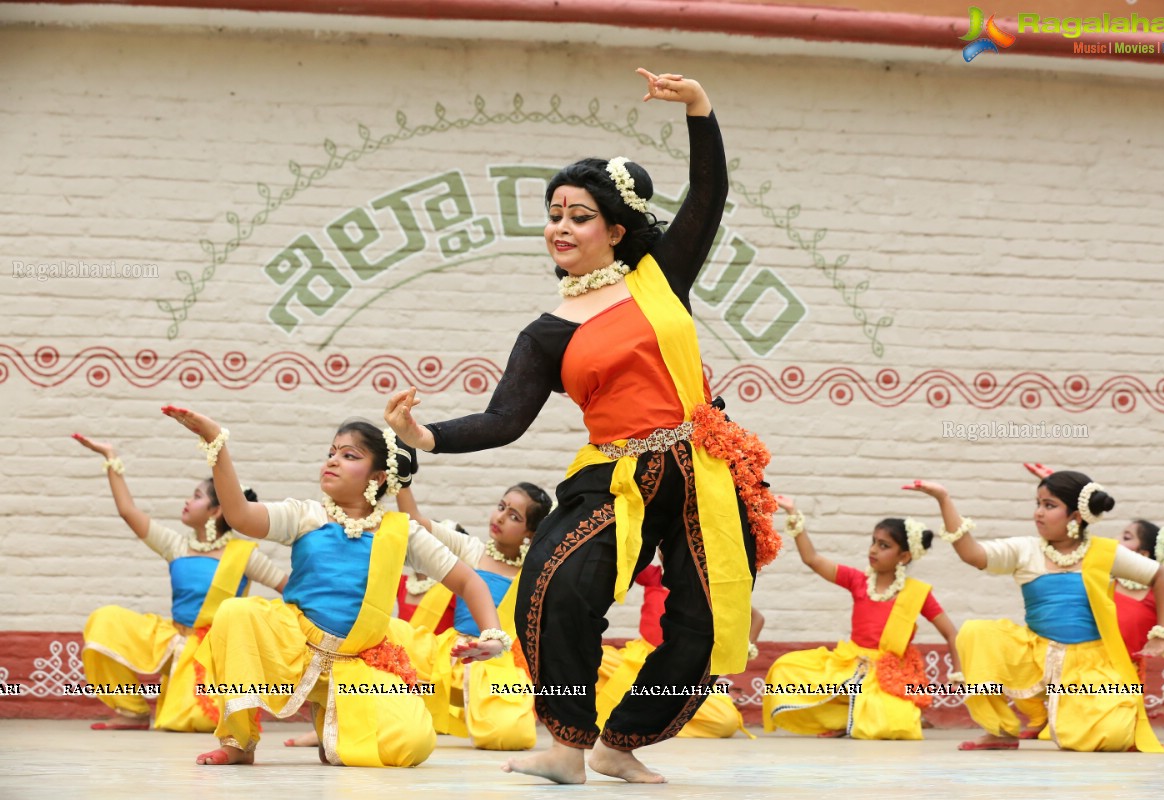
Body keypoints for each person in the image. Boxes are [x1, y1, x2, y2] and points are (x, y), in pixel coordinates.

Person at [383, 68, 779, 784]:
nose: (560, 227)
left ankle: (618, 745)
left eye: (578, 215)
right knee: (554, 583)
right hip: (613, 474)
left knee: (706, 621)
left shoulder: (658, 277)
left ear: (614, 230)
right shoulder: (546, 333)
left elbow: (711, 194)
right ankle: (566, 747)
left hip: (704, 473)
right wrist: (425, 436)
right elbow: (505, 420)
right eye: (554, 214)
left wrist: (697, 107)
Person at [160, 406, 511, 767]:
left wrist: (492, 635)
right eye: (331, 453)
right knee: (237, 613)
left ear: (376, 477)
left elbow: (470, 581)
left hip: (357, 664)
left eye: (349, 455)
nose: (333, 461)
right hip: (292, 649)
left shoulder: (402, 532)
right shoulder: (305, 515)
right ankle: (238, 742)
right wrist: (216, 442)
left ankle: (332, 722)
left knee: (413, 744)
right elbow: (241, 516)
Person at [906, 473, 1164, 752]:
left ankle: (1081, 714)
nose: (1038, 513)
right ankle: (1001, 731)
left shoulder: (1105, 552)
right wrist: (944, 499)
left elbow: (1161, 577)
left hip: (1088, 665)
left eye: (1049, 505)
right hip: (1034, 655)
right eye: (1038, 503)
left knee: (1107, 738)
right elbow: (972, 554)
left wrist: (1162, 634)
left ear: (1076, 516)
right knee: (975, 633)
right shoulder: (1025, 549)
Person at [74, 433, 287, 732]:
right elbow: (128, 511)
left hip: (209, 653)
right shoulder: (176, 545)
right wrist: (111, 459)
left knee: (193, 721)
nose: (188, 501)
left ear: (216, 510)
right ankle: (132, 711)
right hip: (170, 638)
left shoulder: (244, 555)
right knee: (105, 621)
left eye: (197, 496)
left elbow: (289, 588)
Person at [762, 495, 960, 739]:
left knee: (894, 726)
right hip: (849, 665)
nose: (873, 550)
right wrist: (793, 514)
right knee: (785, 670)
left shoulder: (917, 594)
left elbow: (951, 633)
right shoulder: (858, 581)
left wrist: (958, 673)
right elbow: (812, 559)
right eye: (874, 542)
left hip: (888, 674)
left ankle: (862, 716)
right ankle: (851, 717)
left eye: (884, 546)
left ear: (904, 557)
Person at [1022, 463, 1164, 721]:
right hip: (1079, 671)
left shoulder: (1157, 600)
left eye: (1126, 537)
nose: (1117, 542)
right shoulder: (1102, 582)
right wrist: (1063, 491)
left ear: (1142, 554)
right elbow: (1079, 536)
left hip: (1120, 684)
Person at [398, 482, 554, 750]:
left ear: (530, 532)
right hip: (452, 651)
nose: (501, 517)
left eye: (514, 516)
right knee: (386, 638)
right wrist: (401, 480)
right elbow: (416, 523)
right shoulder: (472, 549)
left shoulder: (535, 571)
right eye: (501, 507)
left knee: (511, 736)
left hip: (498, 660)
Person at [595, 562, 760, 739]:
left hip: (684, 668)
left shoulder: (712, 586)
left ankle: (658, 723)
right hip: (640, 661)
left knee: (726, 721)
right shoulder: (656, 577)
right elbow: (625, 560)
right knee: (592, 660)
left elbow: (757, 618)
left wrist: (745, 647)